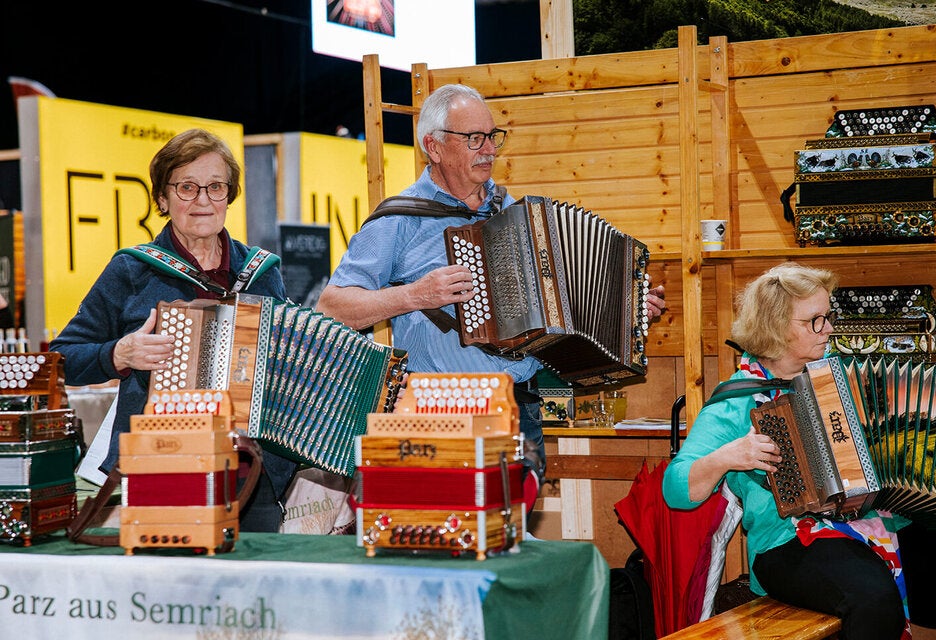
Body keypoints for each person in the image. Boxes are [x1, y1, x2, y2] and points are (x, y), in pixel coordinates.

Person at [316, 83, 667, 512]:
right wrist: (414, 294)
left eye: (492, 136)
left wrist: (626, 307)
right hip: (442, 412)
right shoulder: (400, 219)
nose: (488, 149)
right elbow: (331, 307)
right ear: (435, 146)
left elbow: (561, 303)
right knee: (451, 538)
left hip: (521, 410)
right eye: (473, 139)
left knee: (506, 542)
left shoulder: (512, 210)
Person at [50, 128, 297, 532]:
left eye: (216, 187)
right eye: (187, 187)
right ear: (162, 199)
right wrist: (119, 354)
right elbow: (62, 359)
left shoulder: (261, 273)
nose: (203, 200)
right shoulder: (132, 269)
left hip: (252, 471)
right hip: (161, 464)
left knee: (253, 589)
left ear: (229, 195)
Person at [662, 262, 907, 640]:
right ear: (776, 326)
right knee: (871, 598)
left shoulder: (843, 375)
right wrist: (728, 456)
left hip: (874, 517)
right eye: (814, 320)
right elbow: (676, 490)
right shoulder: (734, 402)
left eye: (828, 316)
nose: (828, 328)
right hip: (788, 544)